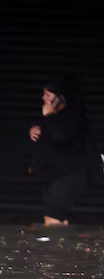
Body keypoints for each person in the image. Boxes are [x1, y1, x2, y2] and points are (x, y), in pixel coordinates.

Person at [28, 78, 89, 225]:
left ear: (61, 98)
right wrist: (34, 130)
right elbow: (48, 135)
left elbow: (60, 135)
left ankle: (54, 247)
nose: (44, 99)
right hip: (52, 174)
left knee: (52, 216)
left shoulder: (72, 115)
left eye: (48, 95)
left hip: (68, 175)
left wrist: (49, 117)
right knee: (58, 218)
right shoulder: (53, 115)